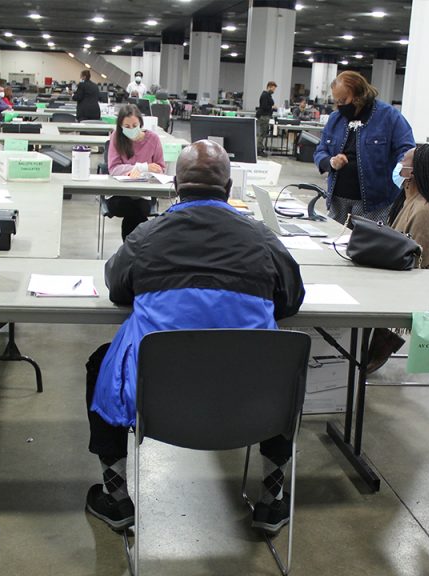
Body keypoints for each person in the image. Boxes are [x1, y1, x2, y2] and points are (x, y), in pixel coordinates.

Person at [84, 139, 306, 535]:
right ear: (229, 189)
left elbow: (118, 289)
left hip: (159, 402)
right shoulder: (262, 239)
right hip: (253, 397)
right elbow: (291, 300)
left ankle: (116, 496)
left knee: (101, 362)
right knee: (284, 368)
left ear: (174, 187)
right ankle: (271, 499)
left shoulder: (146, 237)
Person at [367, 144, 429, 373]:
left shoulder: (423, 211)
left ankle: (375, 344)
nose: (398, 166)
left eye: (403, 163)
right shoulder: (410, 201)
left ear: (412, 174)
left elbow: (417, 267)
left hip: (415, 286)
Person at [314, 71, 415, 224]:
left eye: (343, 100)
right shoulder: (335, 119)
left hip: (374, 204)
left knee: (367, 245)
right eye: (336, 101)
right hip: (338, 201)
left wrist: (400, 174)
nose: (339, 105)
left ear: (359, 95)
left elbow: (407, 151)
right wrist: (330, 162)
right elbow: (320, 150)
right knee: (333, 243)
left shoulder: (389, 117)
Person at [105, 104, 164, 240]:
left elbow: (160, 168)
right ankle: (139, 249)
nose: (131, 129)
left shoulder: (153, 139)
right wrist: (142, 167)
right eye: (126, 126)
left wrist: (154, 170)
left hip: (143, 195)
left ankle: (130, 250)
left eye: (134, 125)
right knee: (135, 212)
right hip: (119, 194)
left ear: (140, 123)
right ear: (120, 126)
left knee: (138, 210)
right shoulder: (116, 137)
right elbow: (114, 169)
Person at [256, 81, 278, 154]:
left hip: (266, 116)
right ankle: (259, 150)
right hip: (263, 116)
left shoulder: (268, 95)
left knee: (263, 133)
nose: (274, 91)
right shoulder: (265, 95)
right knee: (262, 134)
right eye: (273, 89)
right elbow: (264, 107)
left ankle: (260, 148)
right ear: (269, 87)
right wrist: (272, 107)